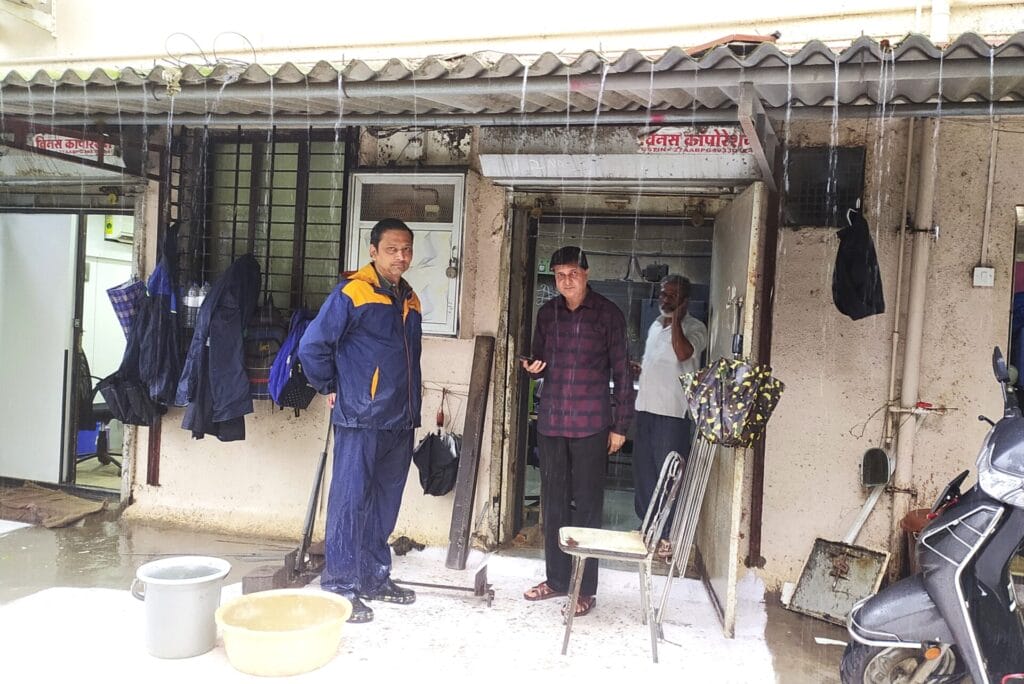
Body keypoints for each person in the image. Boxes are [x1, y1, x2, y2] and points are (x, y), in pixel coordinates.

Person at [298, 218, 422, 624]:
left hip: (400, 420)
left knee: (384, 504)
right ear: (373, 251)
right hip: (360, 418)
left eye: (406, 249)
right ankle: (340, 587)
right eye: (392, 249)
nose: (400, 256)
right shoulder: (353, 292)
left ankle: (373, 577)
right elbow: (312, 346)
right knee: (350, 502)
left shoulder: (410, 299)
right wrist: (330, 385)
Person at [521, 245, 635, 618]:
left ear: (586, 273)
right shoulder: (547, 313)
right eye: (558, 274)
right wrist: (532, 368)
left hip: (591, 423)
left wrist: (620, 427)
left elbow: (622, 372)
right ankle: (556, 580)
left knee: (587, 507)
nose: (565, 280)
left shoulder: (608, 315)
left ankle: (585, 589)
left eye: (572, 273)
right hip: (553, 422)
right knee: (553, 504)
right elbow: (538, 360)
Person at [631, 274, 708, 544]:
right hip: (645, 408)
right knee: (644, 471)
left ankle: (666, 536)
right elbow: (658, 362)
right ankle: (647, 525)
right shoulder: (654, 325)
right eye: (663, 294)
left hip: (672, 413)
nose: (664, 300)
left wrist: (676, 318)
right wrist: (641, 368)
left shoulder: (696, 327)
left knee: (669, 474)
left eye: (671, 296)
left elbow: (683, 353)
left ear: (685, 301)